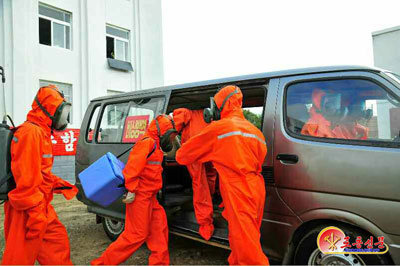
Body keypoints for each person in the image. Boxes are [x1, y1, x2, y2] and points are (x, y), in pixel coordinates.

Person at [175, 85, 270, 265]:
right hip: (257, 187)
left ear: (221, 106)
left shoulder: (219, 128)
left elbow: (182, 156)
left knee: (247, 250)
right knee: (246, 237)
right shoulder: (254, 130)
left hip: (237, 189)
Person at [1, 85, 78, 265]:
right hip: (25, 210)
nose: (64, 118)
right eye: (62, 112)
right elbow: (27, 180)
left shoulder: (42, 132)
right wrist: (36, 218)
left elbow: (41, 172)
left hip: (40, 205)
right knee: (18, 259)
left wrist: (64, 185)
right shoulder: (31, 133)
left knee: (57, 245)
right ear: (49, 110)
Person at [91, 114, 177, 265]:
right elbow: (132, 168)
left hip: (151, 196)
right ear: (162, 132)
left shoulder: (155, 144)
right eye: (170, 136)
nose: (170, 140)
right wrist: (131, 189)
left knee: (159, 230)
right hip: (140, 196)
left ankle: (160, 263)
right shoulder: (147, 143)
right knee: (136, 235)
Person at [173, 108, 217, 240]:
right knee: (211, 176)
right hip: (210, 146)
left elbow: (171, 126)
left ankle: (205, 224)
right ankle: (212, 201)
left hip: (193, 149)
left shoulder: (187, 113)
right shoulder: (210, 113)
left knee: (200, 184)